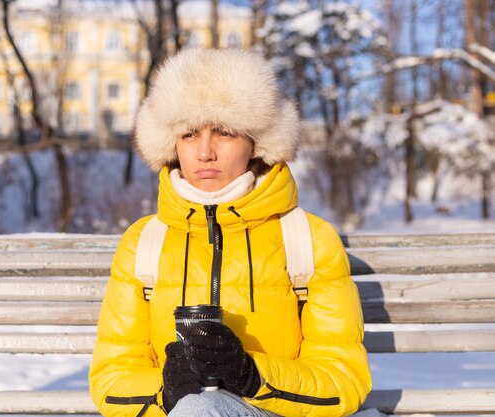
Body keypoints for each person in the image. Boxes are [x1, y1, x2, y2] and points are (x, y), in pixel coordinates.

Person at [89, 48, 372, 417]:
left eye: (224, 132)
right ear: (172, 144)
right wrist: (165, 392)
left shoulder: (306, 239)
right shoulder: (145, 243)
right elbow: (110, 381)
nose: (205, 152)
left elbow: (344, 381)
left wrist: (253, 376)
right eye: (189, 134)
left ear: (256, 141)